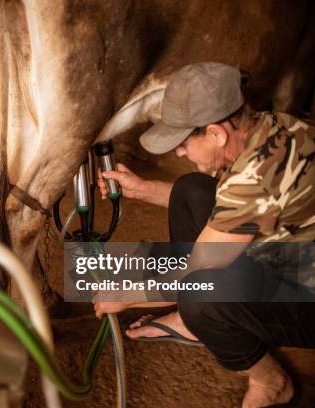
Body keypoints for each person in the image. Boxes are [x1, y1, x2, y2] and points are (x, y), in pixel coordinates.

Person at [94, 62, 315, 408]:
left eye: (183, 142)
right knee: (191, 189)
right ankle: (191, 321)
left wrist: (125, 296)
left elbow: (200, 268)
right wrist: (142, 189)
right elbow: (234, 206)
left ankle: (272, 382)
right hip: (295, 251)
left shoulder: (255, 179)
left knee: (201, 297)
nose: (179, 152)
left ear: (216, 133)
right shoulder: (271, 127)